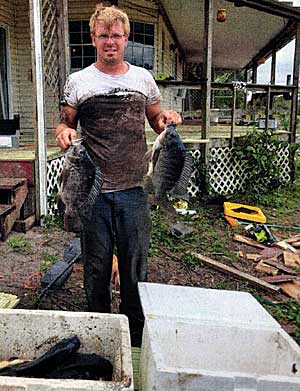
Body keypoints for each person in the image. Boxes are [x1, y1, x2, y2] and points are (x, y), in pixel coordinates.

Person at [55, 3, 181, 347]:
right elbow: (66, 122)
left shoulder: (142, 78)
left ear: (126, 39)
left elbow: (155, 118)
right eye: (103, 35)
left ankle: (133, 336)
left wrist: (165, 119)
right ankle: (99, 331)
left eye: (116, 35)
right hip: (91, 193)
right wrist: (64, 133)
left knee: (134, 270)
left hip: (134, 190)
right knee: (95, 270)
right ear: (93, 39)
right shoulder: (79, 81)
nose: (110, 41)